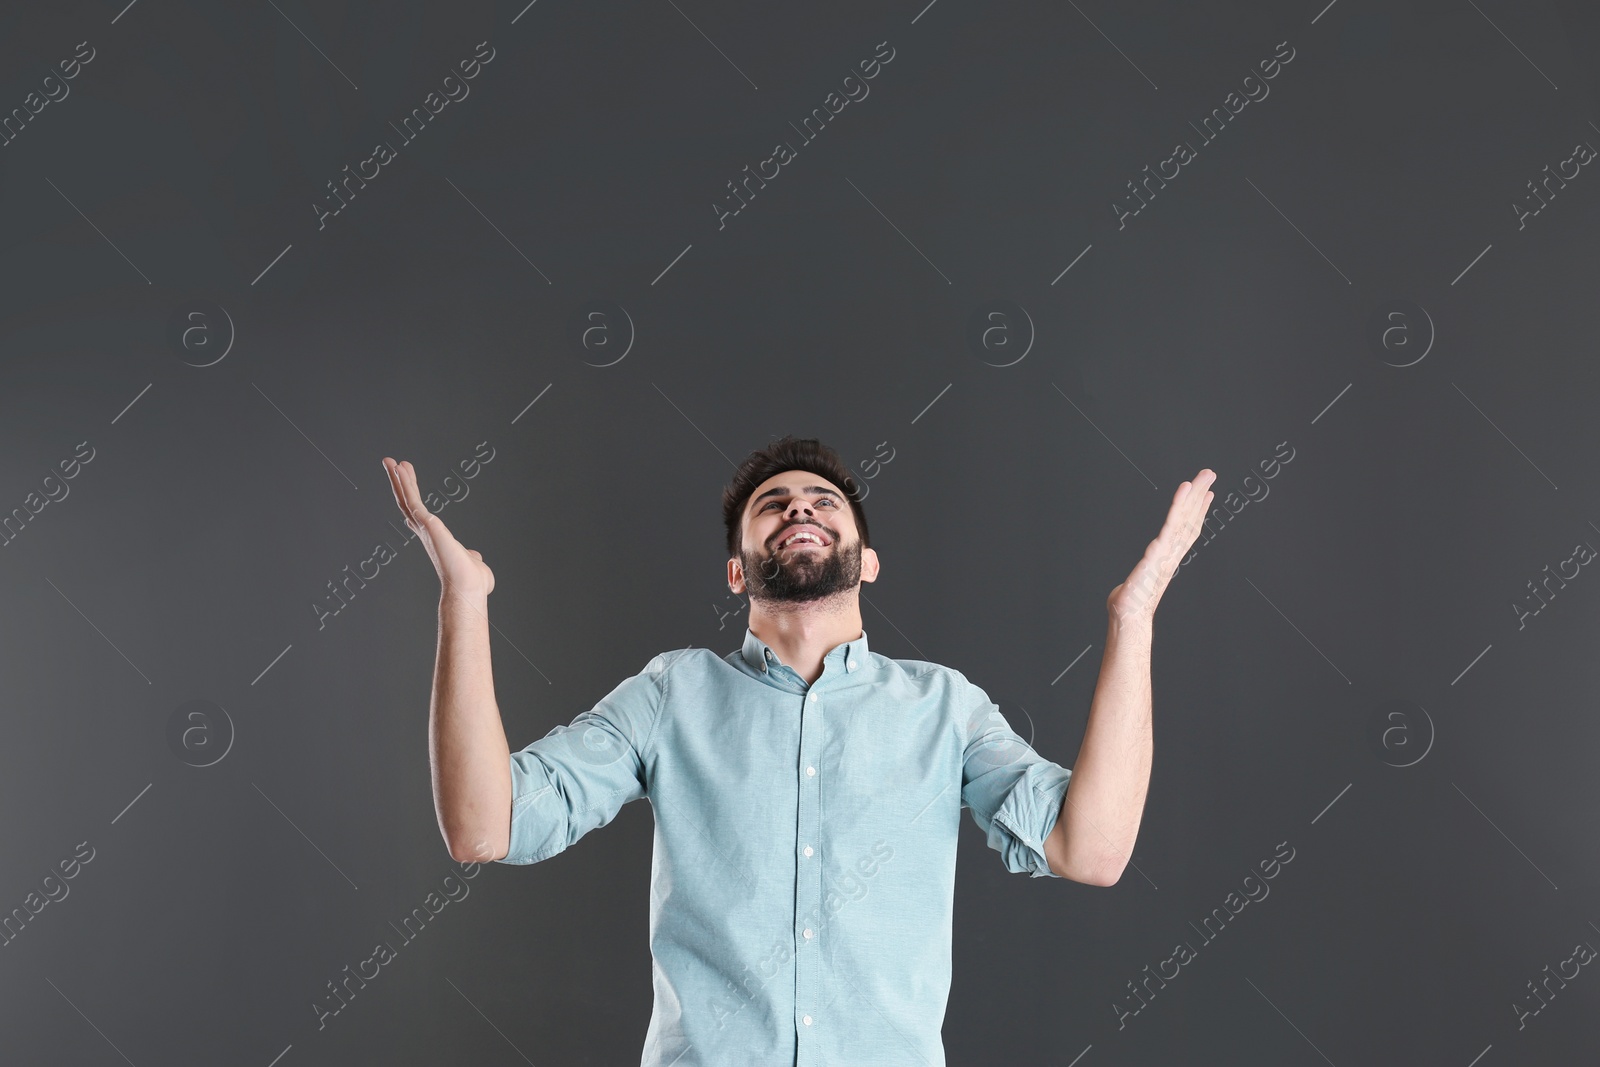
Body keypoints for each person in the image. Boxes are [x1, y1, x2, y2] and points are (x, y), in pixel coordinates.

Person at [382, 435, 1214, 1066]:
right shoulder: (673, 692)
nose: (800, 508)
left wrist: (1133, 618)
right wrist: (465, 600)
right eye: (773, 504)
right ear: (739, 571)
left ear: (870, 560)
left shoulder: (945, 706)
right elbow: (485, 827)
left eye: (822, 500)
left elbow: (1092, 847)